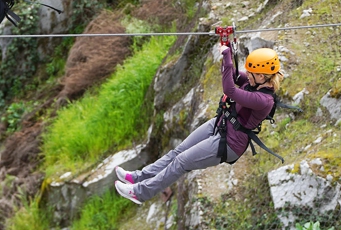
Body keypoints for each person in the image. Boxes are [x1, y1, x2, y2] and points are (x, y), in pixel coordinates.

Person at [114, 46, 283, 204]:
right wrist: (227, 51)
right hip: (221, 124)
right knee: (177, 152)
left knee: (181, 161)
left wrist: (227, 56)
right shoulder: (254, 81)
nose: (247, 74)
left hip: (230, 143)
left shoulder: (263, 100)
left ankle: (140, 193)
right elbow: (231, 76)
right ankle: (137, 177)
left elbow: (230, 90)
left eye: (251, 72)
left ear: (262, 76)